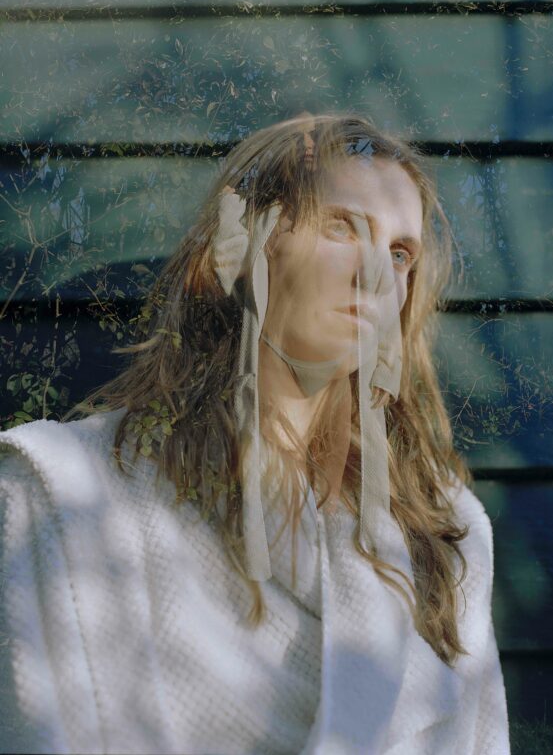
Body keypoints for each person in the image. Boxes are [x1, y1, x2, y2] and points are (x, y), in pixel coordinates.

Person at [0, 114, 510, 754]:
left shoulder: (444, 531)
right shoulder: (64, 495)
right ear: (242, 249)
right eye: (341, 227)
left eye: (401, 253)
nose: (377, 275)